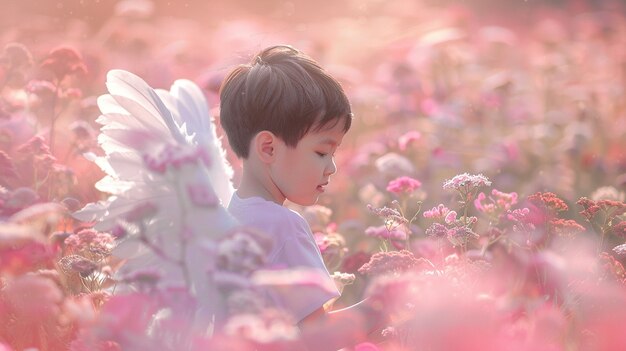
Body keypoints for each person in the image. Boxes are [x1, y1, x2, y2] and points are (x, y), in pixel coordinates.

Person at [219, 45, 386, 350]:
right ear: (268, 148)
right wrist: (387, 305)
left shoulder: (228, 215)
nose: (332, 167)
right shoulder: (283, 226)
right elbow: (318, 337)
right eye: (322, 152)